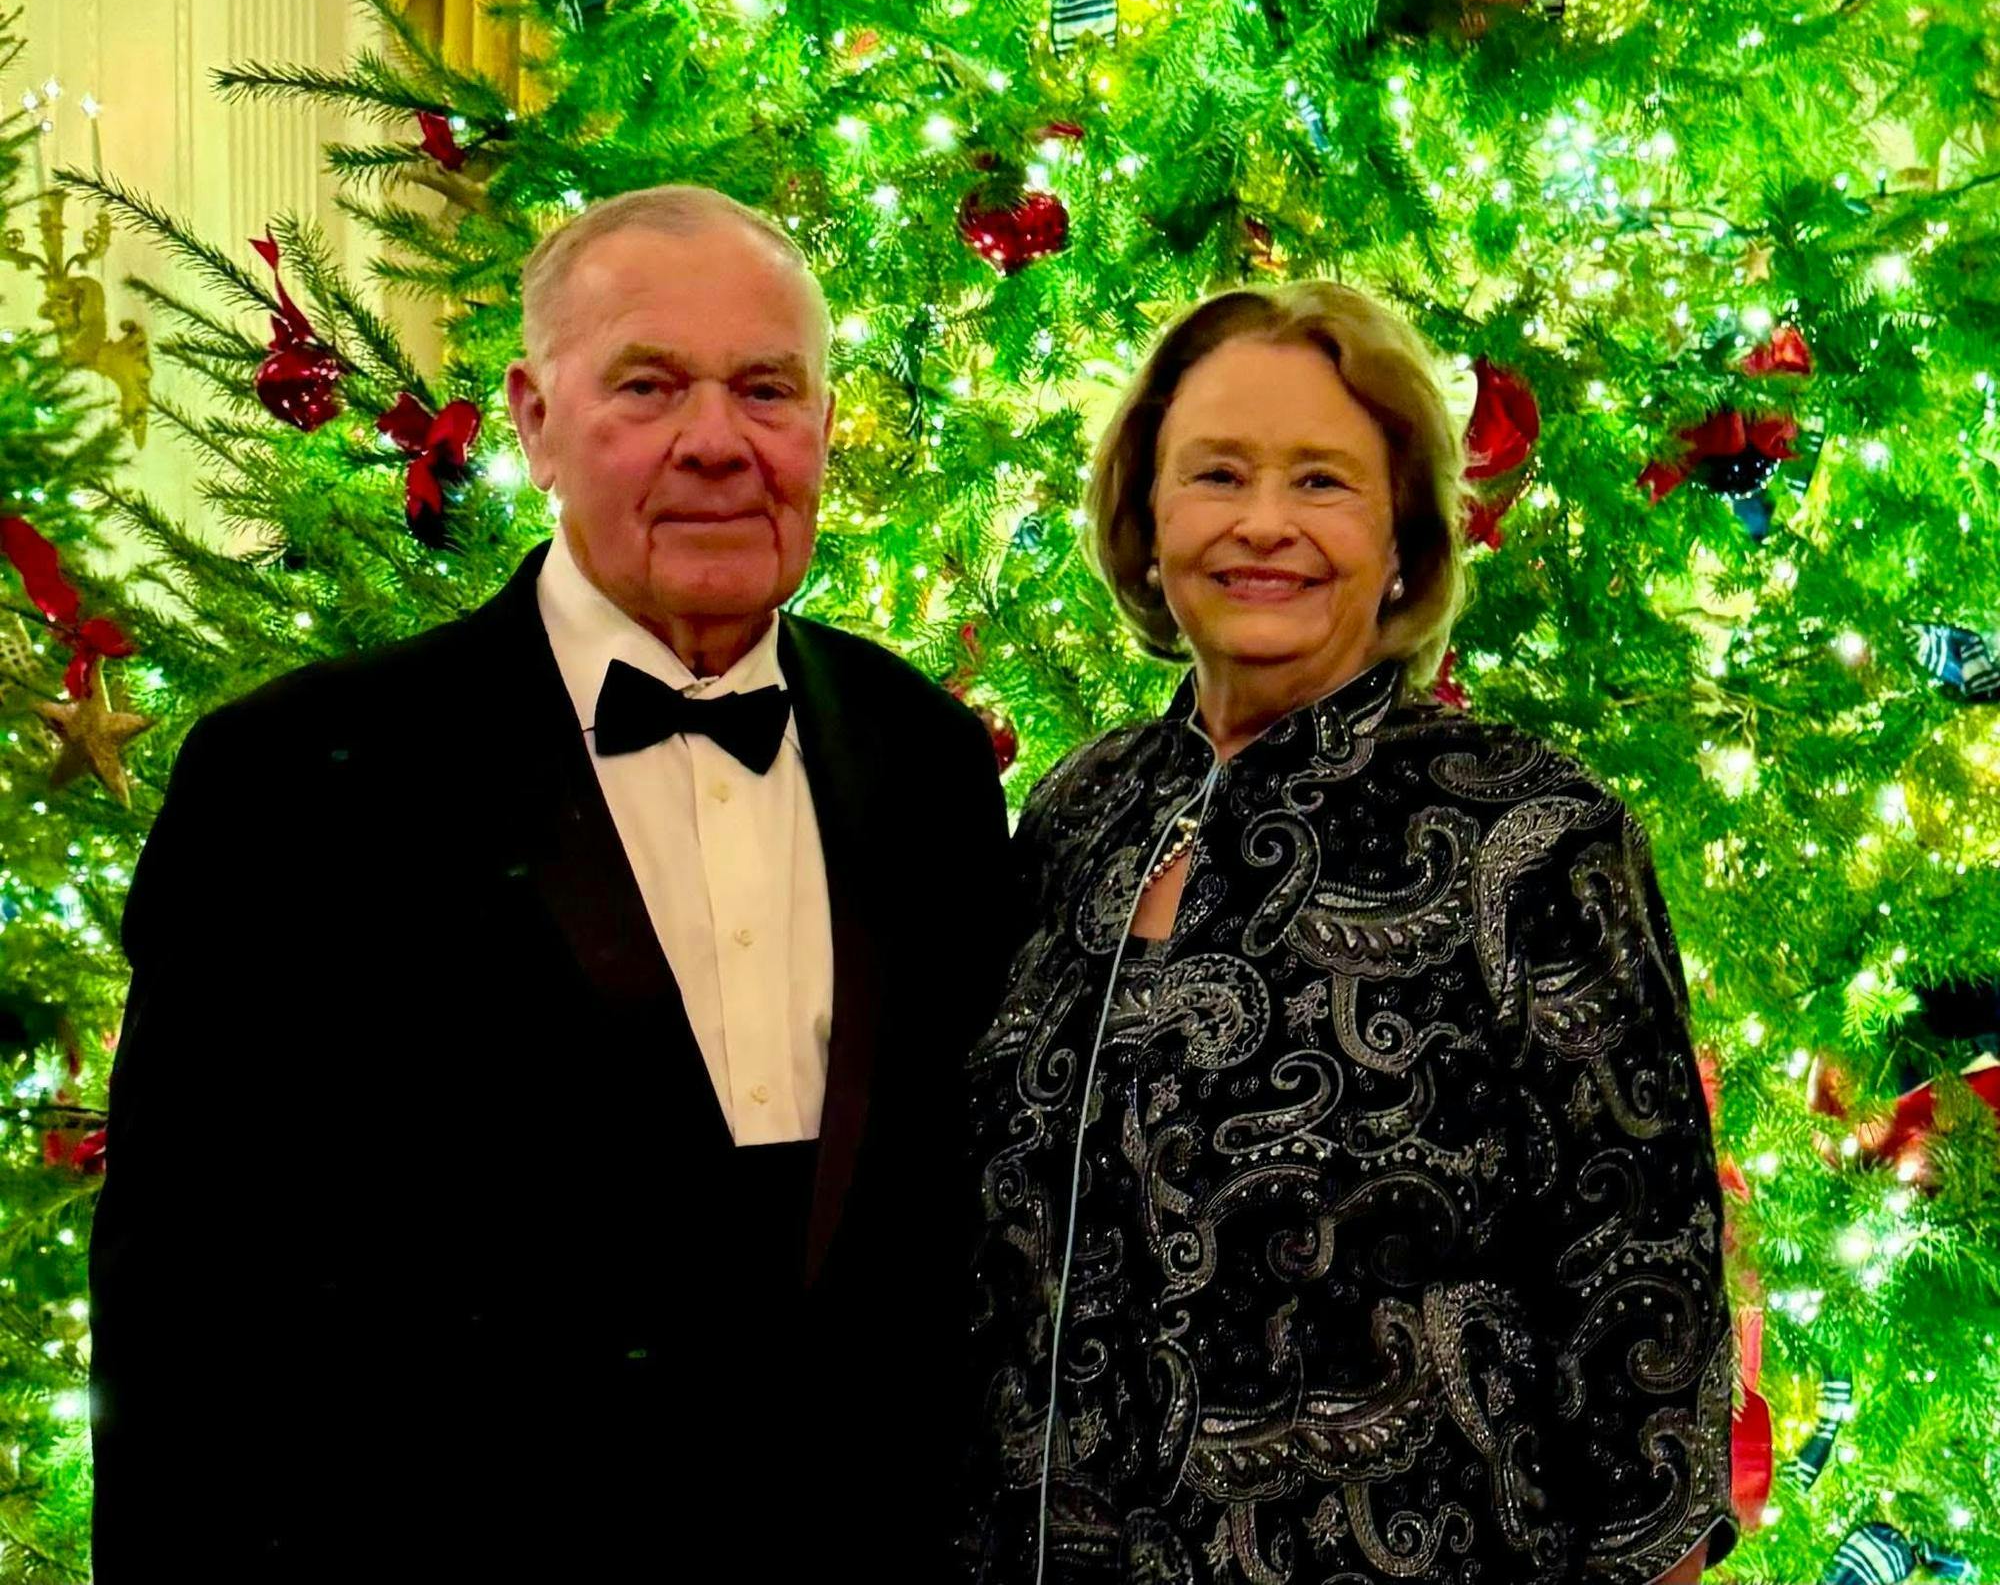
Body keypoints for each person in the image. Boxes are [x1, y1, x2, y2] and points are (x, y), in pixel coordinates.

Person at [90, 186, 1012, 1580]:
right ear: (531, 416)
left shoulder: (926, 759)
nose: (717, 441)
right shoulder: (298, 780)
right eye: (648, 385)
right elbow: (185, 1321)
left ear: (824, 426)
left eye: (768, 389)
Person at [961, 282, 1737, 1585]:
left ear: (1402, 542)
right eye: (1215, 474)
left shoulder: (1532, 838)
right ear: (1147, 522)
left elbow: (1646, 1340)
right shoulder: (1073, 815)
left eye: (1322, 481)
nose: (1263, 523)